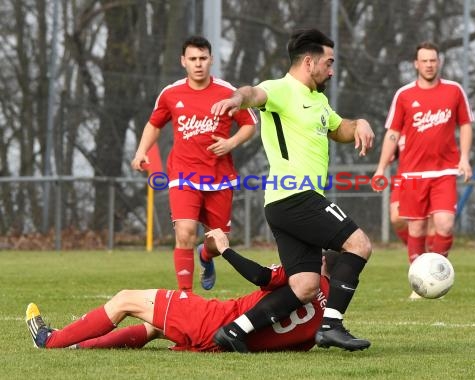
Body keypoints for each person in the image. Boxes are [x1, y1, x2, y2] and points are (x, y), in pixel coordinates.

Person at [210, 28, 374, 352]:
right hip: (296, 196)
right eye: (328, 63)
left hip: (282, 204)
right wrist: (235, 99)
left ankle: (233, 331)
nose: (332, 69)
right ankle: (331, 324)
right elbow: (252, 93)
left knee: (305, 285)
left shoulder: (319, 101)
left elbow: (340, 129)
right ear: (309, 62)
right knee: (359, 244)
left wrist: (362, 123)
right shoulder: (281, 90)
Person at [25, 229, 340, 352]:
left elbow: (260, 276)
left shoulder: (303, 277)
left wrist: (226, 250)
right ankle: (79, 346)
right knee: (153, 328)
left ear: (321, 258)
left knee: (125, 299)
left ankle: (49, 340)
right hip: (223, 345)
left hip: (213, 321)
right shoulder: (327, 317)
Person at [131, 36, 257, 292]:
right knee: (185, 232)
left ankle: (205, 256)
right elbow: (154, 124)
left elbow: (250, 124)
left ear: (211, 60)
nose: (198, 64)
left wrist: (230, 143)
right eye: (192, 59)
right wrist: (141, 151)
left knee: (218, 243)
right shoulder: (171, 93)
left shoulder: (227, 92)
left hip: (219, 177)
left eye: (202, 58)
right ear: (183, 61)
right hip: (183, 174)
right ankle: (186, 298)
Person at [373, 41, 473, 280]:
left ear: (438, 62)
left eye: (433, 60)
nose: (429, 65)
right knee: (415, 227)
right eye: (424, 61)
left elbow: (466, 124)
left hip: (444, 171)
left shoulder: (454, 90)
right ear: (416, 64)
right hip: (412, 174)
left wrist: (465, 158)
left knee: (445, 224)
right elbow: (393, 134)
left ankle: (437, 276)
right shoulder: (404, 95)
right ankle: (418, 278)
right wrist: (380, 168)